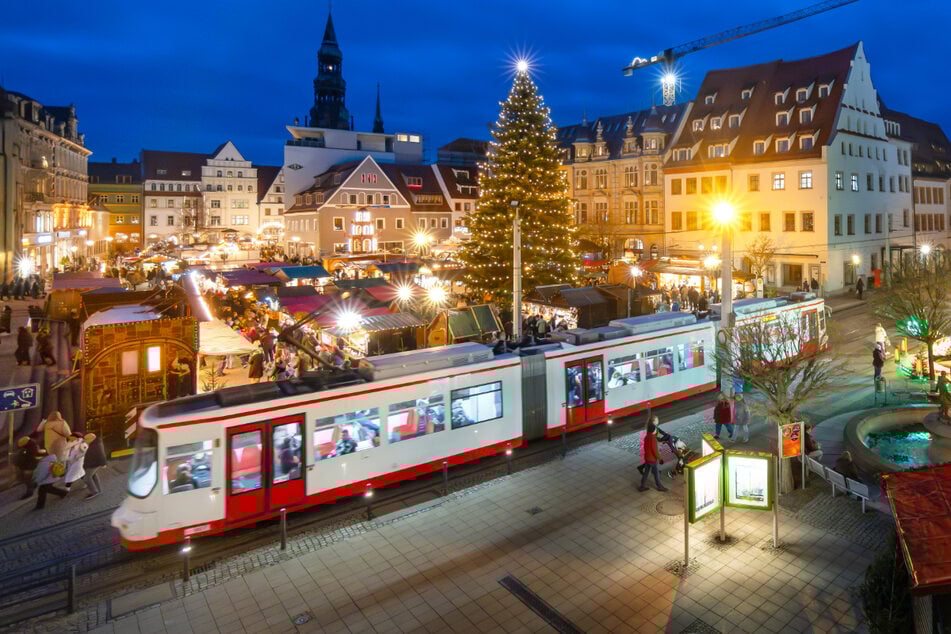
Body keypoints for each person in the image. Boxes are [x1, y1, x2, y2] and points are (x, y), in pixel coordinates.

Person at [637, 418, 668, 492]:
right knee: (656, 473)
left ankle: (642, 486)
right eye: (655, 429)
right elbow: (655, 450)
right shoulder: (653, 438)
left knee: (646, 472)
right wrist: (660, 459)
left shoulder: (647, 436)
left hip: (647, 458)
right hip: (652, 459)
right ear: (653, 430)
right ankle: (659, 486)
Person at [82, 433, 106, 500]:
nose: (85, 441)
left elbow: (101, 454)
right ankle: (99, 490)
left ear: (91, 439)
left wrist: (103, 464)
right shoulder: (94, 443)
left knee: (87, 478)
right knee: (93, 475)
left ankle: (94, 492)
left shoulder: (97, 445)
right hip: (92, 463)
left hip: (94, 464)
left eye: (86, 439)